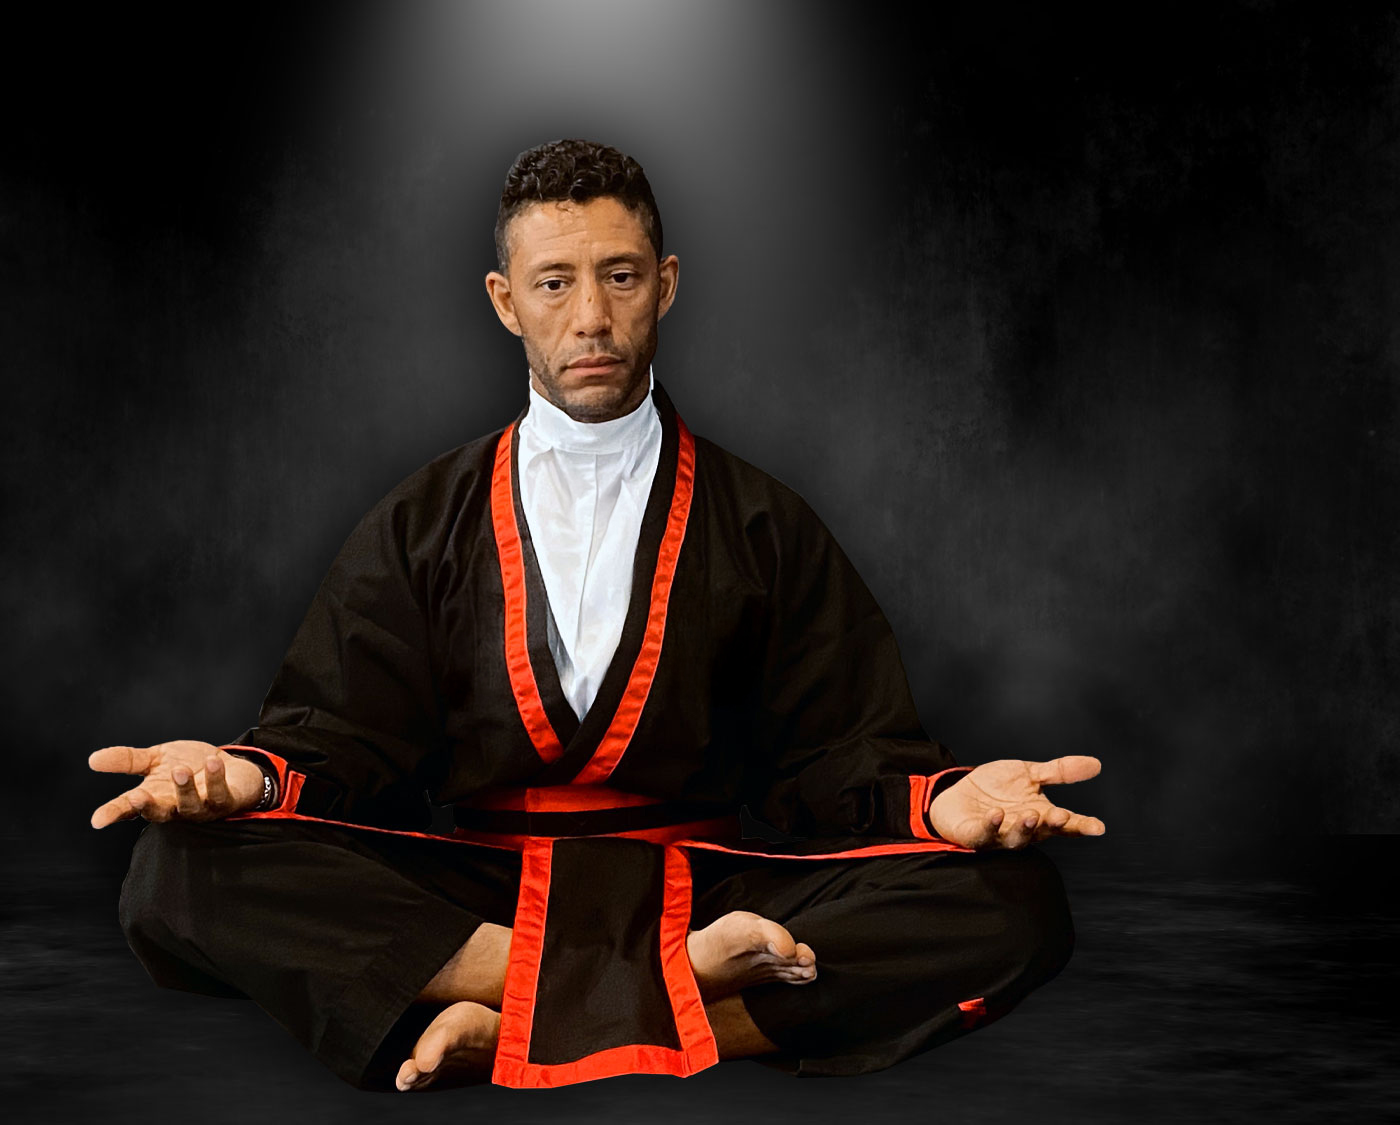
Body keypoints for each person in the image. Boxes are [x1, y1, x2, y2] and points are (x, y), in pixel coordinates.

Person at [89, 139, 1105, 1093]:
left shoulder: (762, 523)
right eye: (553, 283)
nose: (589, 318)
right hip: (477, 892)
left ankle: (508, 1030)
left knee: (1013, 903)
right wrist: (245, 776)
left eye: (619, 277)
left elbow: (842, 758)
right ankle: (649, 999)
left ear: (664, 283)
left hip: (704, 890)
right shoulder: (421, 521)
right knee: (173, 872)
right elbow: (338, 736)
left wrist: (947, 804)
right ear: (504, 303)